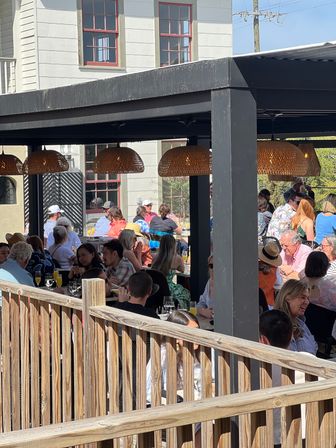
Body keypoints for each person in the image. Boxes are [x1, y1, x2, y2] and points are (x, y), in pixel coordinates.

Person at [274, 279, 317, 354]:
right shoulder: (278, 325)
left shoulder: (300, 323)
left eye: (308, 298)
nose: (307, 302)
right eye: (302, 297)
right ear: (288, 297)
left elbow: (314, 347)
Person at [152, 235, 190, 309]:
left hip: (156, 286)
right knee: (186, 294)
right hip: (168, 287)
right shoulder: (177, 258)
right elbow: (182, 270)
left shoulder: (155, 258)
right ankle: (182, 312)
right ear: (173, 245)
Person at [258, 241, 282, 307]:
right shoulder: (275, 270)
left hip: (253, 300)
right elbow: (278, 284)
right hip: (268, 303)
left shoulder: (255, 266)